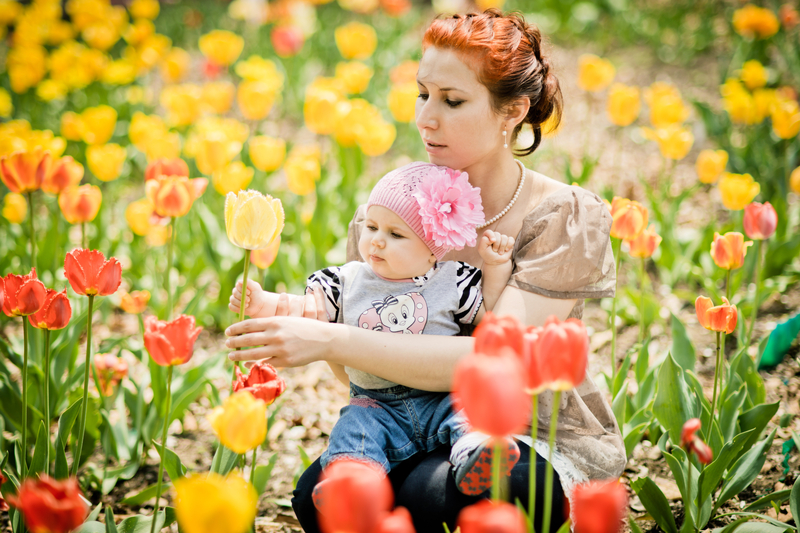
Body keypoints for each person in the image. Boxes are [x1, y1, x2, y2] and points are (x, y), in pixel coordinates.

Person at [224, 9, 626, 533]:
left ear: (513, 111)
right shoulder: (389, 216)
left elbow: (495, 360)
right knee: (317, 499)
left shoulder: (562, 216)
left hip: (519, 428)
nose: (425, 119)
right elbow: (359, 370)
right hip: (399, 419)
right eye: (422, 94)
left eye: (452, 101)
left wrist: (327, 338)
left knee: (450, 491)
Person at [230, 161, 522, 497]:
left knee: (468, 413)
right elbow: (303, 310)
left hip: (438, 396)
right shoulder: (346, 281)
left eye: (395, 234)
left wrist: (496, 266)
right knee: (353, 429)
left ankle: (477, 454)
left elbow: (488, 312)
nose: (377, 241)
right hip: (376, 404)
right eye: (371, 227)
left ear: (432, 251)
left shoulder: (451, 281)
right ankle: (352, 482)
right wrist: (262, 302)